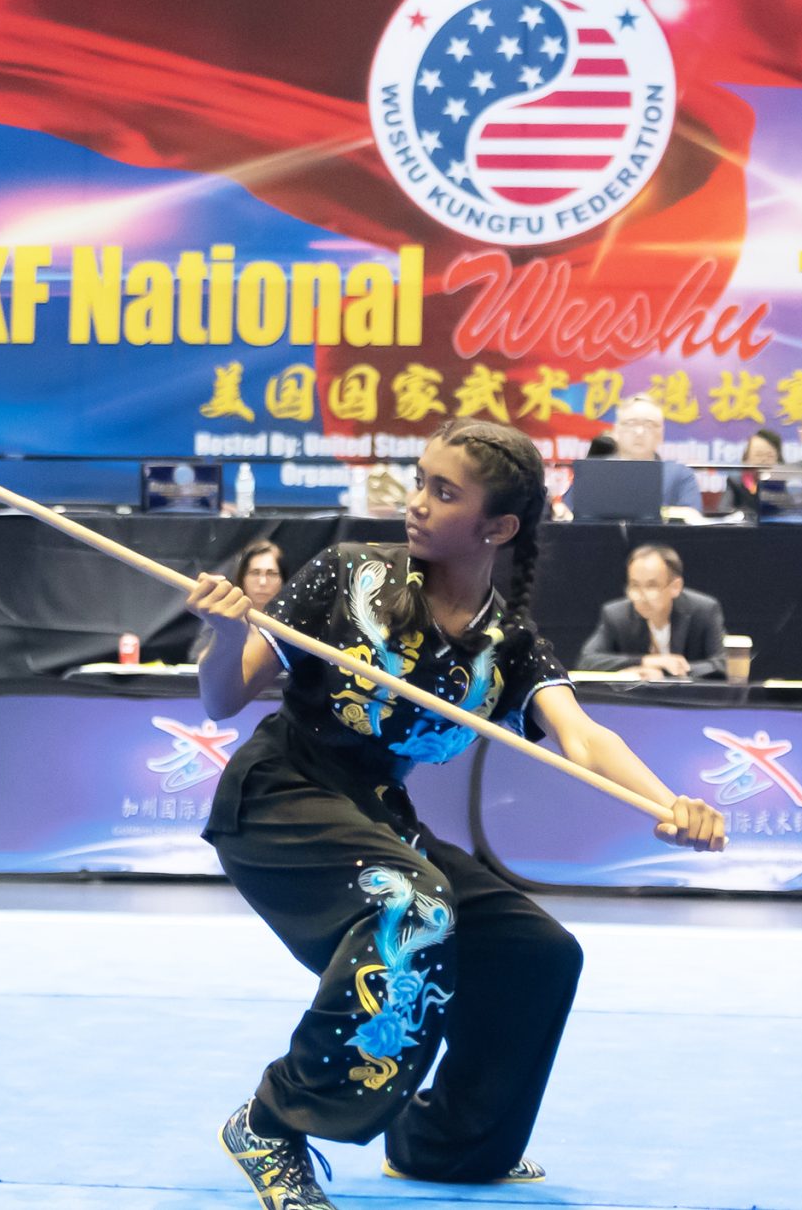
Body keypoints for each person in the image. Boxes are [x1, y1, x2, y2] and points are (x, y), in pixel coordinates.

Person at [181, 418, 725, 1209]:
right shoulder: (346, 575)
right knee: (416, 906)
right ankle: (271, 1122)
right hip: (280, 796)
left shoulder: (509, 646)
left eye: (444, 493)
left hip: (377, 815)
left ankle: (448, 1145)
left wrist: (668, 804)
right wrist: (226, 636)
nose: (417, 503)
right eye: (420, 483)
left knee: (536, 953)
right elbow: (222, 697)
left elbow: (583, 736)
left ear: (497, 528)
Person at [576, 545, 727, 680]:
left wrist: (666, 672)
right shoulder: (616, 615)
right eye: (634, 586)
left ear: (675, 587)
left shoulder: (704, 610)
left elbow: (723, 663)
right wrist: (646, 661)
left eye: (651, 586)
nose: (641, 596)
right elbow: (587, 660)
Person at [188, 541, 285, 663]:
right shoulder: (223, 615)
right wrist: (228, 635)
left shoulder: (291, 621)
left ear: (282, 580)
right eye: (255, 573)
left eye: (271, 574)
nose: (262, 582)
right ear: (242, 578)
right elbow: (199, 661)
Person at [608, 395, 702, 511]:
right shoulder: (598, 474)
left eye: (649, 425)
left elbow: (692, 518)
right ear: (616, 431)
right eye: (631, 423)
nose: (639, 432)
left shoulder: (679, 476)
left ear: (661, 434)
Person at [719, 428, 783, 517]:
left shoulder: (784, 483)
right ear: (746, 458)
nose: (764, 460)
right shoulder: (735, 481)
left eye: (770, 456)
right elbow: (724, 512)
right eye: (759, 455)